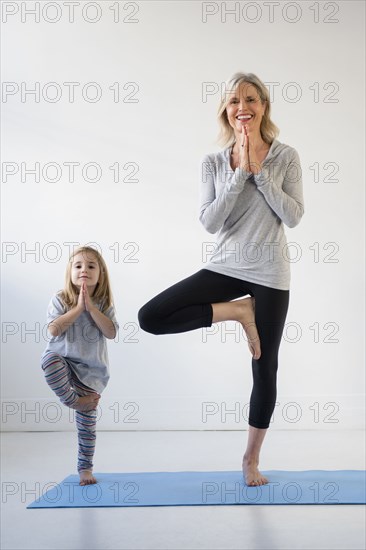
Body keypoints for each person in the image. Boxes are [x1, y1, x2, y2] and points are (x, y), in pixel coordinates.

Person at [138, 72, 304, 486]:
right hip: (226, 264)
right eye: (233, 101)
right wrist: (238, 172)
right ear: (226, 111)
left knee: (264, 367)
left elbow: (294, 216)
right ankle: (236, 311)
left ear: (263, 105)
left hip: (269, 271)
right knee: (150, 317)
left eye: (250, 98)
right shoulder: (212, 162)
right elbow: (211, 222)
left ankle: (250, 459)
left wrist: (259, 172)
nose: (242, 107)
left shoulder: (285, 156)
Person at [40, 246, 119, 485]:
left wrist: (91, 308)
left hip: (90, 375)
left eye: (91, 266)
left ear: (100, 274)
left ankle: (85, 469)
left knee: (87, 428)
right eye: (78, 265)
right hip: (63, 362)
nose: (84, 269)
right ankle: (73, 401)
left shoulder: (104, 303)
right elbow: (53, 330)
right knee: (48, 360)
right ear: (70, 272)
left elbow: (111, 332)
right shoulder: (61, 299)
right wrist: (77, 308)